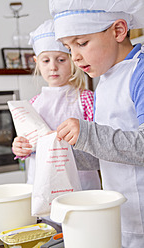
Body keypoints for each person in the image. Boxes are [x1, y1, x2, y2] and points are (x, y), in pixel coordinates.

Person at [48, 0, 144, 247]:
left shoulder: (139, 73)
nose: (75, 57)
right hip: (120, 213)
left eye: (81, 43)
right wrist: (67, 147)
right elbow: (109, 152)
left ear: (119, 31)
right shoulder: (106, 79)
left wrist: (88, 134)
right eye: (68, 47)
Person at [12, 19, 101, 190]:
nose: (53, 67)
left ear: (73, 60)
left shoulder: (86, 99)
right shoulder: (33, 104)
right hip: (43, 184)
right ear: (36, 62)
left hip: (80, 184)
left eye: (61, 60)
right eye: (46, 61)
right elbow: (29, 143)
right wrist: (21, 147)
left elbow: (97, 142)